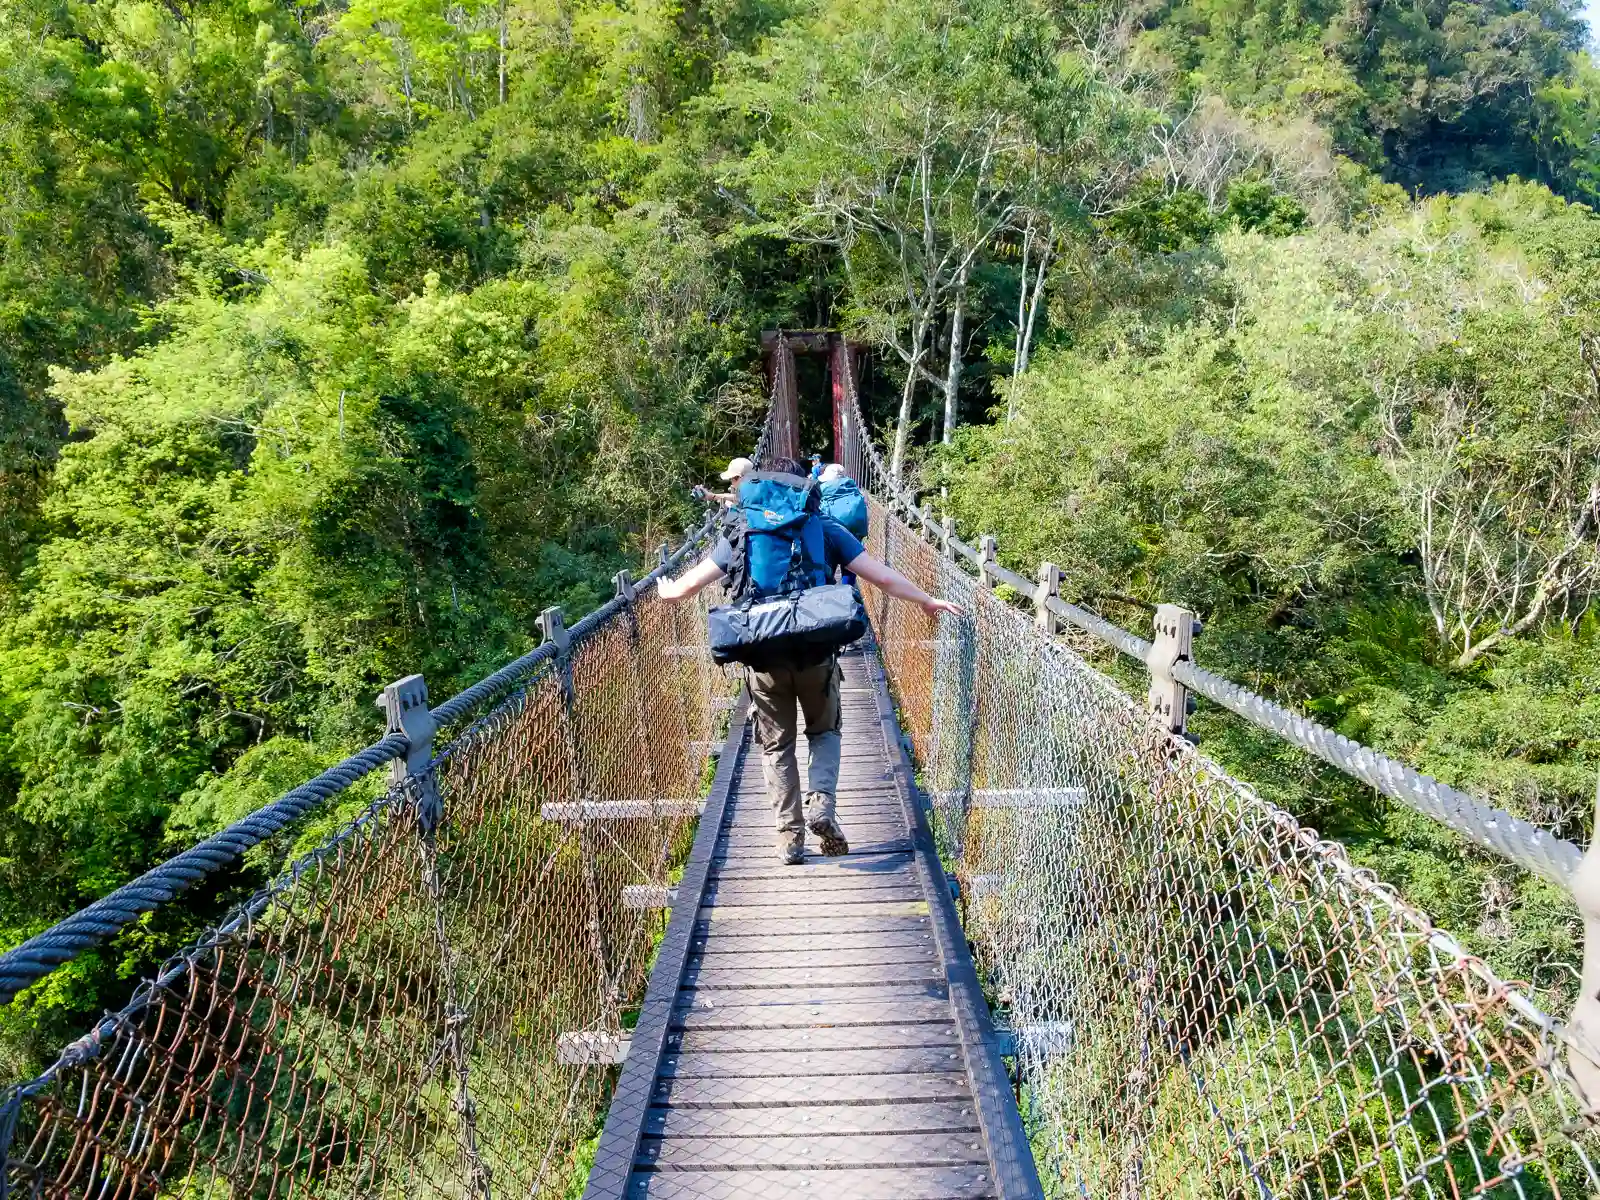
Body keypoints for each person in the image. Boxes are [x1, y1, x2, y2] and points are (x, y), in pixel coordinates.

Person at [658, 456, 963, 864]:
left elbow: (685, 589)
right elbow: (883, 578)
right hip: (817, 652)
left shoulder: (741, 530)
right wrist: (926, 600)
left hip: (763, 655)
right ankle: (822, 806)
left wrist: (667, 590)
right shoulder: (826, 527)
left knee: (775, 747)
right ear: (805, 486)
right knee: (824, 733)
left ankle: (790, 838)